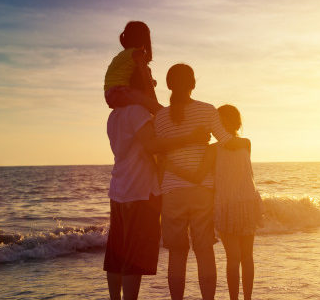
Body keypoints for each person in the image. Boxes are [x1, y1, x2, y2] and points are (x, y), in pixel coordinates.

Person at [104, 63, 209, 300]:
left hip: (118, 189)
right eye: (149, 79)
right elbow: (152, 145)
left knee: (116, 255)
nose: (153, 83)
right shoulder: (137, 112)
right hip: (139, 190)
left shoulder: (114, 115)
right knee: (133, 257)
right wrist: (190, 137)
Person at [154, 64, 249, 300]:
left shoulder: (160, 117)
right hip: (202, 191)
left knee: (177, 255)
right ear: (193, 84)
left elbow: (158, 154)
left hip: (172, 192)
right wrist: (245, 144)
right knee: (204, 252)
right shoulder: (207, 111)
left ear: (168, 85)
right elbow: (226, 141)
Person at [166, 104, 262, 300]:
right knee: (247, 257)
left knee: (233, 259)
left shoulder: (213, 150)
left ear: (217, 123)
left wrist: (171, 167)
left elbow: (198, 177)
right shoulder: (246, 143)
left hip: (227, 205)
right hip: (248, 202)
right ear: (238, 123)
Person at [104, 21, 162, 114]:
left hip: (110, 94)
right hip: (120, 92)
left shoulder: (123, 55)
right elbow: (147, 81)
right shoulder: (137, 54)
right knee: (158, 109)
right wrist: (156, 105)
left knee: (149, 105)